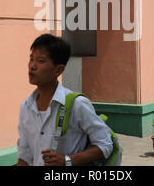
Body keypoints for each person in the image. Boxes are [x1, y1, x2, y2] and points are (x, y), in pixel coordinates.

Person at [16, 34, 113, 166]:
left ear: (58, 69)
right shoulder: (26, 106)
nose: (32, 66)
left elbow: (105, 144)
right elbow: (25, 155)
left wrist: (67, 160)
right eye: (31, 59)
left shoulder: (77, 104)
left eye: (40, 61)